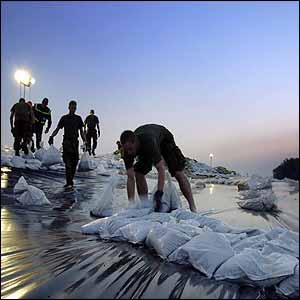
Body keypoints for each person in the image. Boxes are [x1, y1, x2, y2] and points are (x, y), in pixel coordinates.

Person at [120, 124, 197, 212]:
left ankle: (193, 207)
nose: (129, 152)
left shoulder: (149, 143)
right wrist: (131, 204)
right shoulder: (126, 151)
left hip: (164, 139)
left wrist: (159, 193)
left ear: (135, 142)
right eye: (126, 150)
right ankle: (145, 205)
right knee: (139, 172)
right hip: (145, 144)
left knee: (177, 172)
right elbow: (130, 177)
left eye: (130, 149)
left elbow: (161, 168)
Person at [48, 100, 86, 189]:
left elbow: (81, 132)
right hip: (66, 142)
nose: (73, 109)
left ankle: (70, 181)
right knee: (68, 163)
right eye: (72, 108)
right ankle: (69, 182)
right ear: (68, 107)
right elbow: (57, 128)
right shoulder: (64, 118)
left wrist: (85, 141)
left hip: (75, 143)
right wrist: (51, 136)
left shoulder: (78, 118)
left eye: (75, 108)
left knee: (75, 162)